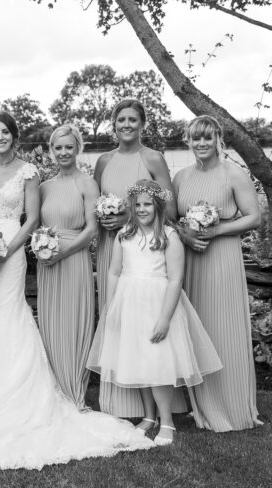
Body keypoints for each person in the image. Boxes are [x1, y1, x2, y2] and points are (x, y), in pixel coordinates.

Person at [0, 112, 154, 470]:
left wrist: (2, 253)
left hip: (10, 254)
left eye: (5, 133)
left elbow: (30, 220)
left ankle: (19, 394)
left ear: (15, 138)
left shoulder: (29, 173)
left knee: (8, 315)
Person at [87, 179, 222, 446]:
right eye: (137, 205)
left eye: (148, 204)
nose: (142, 209)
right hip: (128, 302)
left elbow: (175, 280)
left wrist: (164, 318)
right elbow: (114, 271)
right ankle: (149, 417)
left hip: (156, 303)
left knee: (156, 362)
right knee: (137, 360)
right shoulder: (124, 233)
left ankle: (167, 420)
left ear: (158, 206)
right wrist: (110, 306)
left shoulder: (169, 237)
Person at [173, 115, 262, 432]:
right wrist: (185, 235)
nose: (200, 144)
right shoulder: (181, 177)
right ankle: (202, 405)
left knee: (224, 328)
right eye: (195, 138)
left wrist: (218, 230)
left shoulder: (233, 174)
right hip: (192, 260)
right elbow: (172, 220)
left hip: (222, 259)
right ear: (189, 141)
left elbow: (253, 218)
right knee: (198, 330)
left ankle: (233, 405)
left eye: (207, 138)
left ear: (218, 139)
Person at [94, 98, 177, 418]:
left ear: (142, 124)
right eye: (120, 120)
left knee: (144, 326)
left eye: (132, 119)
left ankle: (157, 409)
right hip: (111, 248)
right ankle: (119, 402)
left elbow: (170, 208)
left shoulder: (153, 158)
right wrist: (105, 218)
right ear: (113, 125)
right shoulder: (103, 161)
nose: (126, 125)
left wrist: (129, 216)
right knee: (116, 321)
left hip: (144, 251)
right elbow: (97, 202)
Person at [36, 124, 99, 410]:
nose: (63, 152)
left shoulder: (86, 183)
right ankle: (54, 391)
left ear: (78, 149)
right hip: (47, 264)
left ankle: (75, 392)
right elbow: (36, 227)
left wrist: (62, 253)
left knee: (74, 323)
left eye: (68, 147)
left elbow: (92, 229)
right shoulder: (44, 187)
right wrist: (42, 249)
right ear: (51, 150)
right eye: (58, 147)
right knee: (50, 325)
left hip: (73, 259)